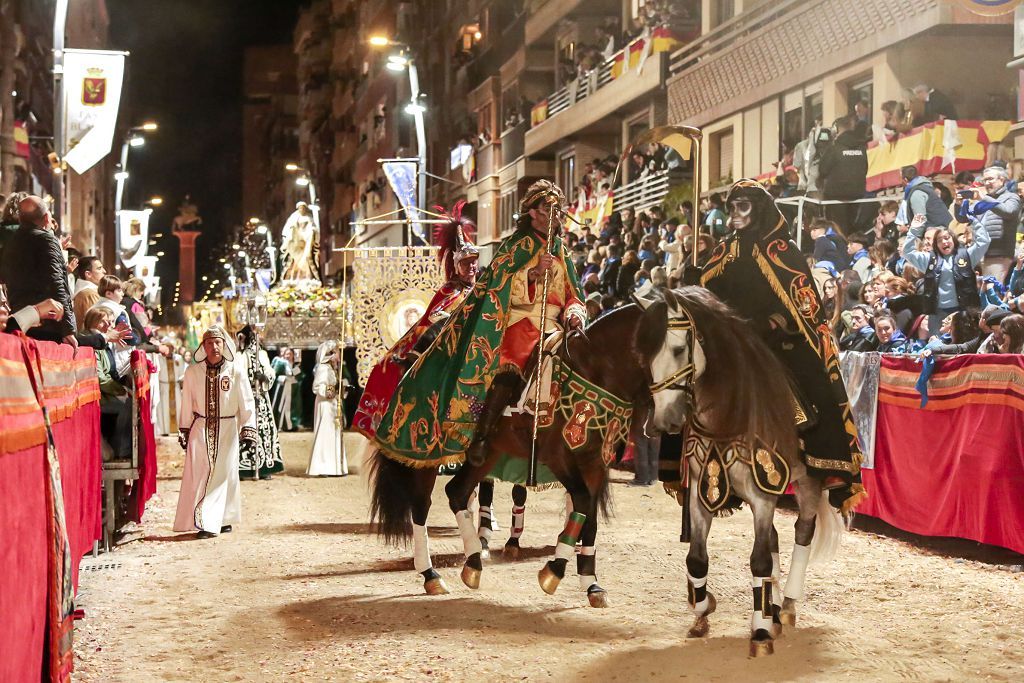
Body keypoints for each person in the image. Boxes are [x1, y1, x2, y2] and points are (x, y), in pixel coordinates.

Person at [374, 179, 586, 468]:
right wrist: (533, 274)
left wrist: (574, 313)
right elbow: (497, 286)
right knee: (510, 365)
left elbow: (575, 294)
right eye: (548, 208)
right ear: (533, 213)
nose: (555, 215)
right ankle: (483, 436)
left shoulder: (562, 251)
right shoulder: (515, 245)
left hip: (555, 325)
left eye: (558, 210)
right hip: (521, 320)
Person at [700, 179, 866, 513]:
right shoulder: (723, 250)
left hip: (773, 339)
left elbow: (805, 306)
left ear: (758, 209)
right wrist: (695, 280)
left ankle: (828, 463)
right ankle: (685, 460)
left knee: (813, 380)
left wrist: (776, 320)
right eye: (731, 208)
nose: (734, 214)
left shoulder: (783, 250)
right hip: (732, 337)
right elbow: (710, 293)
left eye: (742, 207)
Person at [353, 202, 481, 438]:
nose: (471, 267)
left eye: (473, 262)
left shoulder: (483, 289)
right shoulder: (449, 291)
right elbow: (432, 319)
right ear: (456, 265)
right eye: (465, 263)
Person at [174, 327, 256, 539]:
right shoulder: (193, 372)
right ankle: (207, 522)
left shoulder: (236, 370)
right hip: (201, 428)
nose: (214, 347)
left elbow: (246, 401)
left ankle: (224, 518)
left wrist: (248, 429)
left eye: (218, 342)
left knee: (226, 473)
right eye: (209, 343)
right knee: (205, 472)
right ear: (203, 346)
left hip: (228, 428)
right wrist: (184, 429)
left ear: (224, 344)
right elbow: (186, 404)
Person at [0, 195, 76, 345]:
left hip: (21, 319)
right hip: (49, 321)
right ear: (47, 218)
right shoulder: (47, 239)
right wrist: (68, 329)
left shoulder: (11, 242)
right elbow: (56, 283)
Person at [902, 213, 990, 331]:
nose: (944, 242)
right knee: (937, 345)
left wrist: (974, 222)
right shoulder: (929, 260)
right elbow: (907, 251)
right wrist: (913, 231)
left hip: (962, 311)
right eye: (939, 240)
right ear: (936, 245)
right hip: (937, 313)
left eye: (947, 238)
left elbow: (984, 241)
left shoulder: (967, 256)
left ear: (953, 239)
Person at [84, 306, 133, 461]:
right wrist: (121, 390)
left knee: (130, 403)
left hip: (102, 391)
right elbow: (100, 377)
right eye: (104, 322)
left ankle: (120, 447)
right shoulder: (93, 340)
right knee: (127, 405)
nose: (109, 326)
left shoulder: (102, 340)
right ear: (94, 321)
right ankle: (121, 449)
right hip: (95, 395)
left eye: (110, 322)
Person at [237, 325, 283, 481]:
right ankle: (244, 468)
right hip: (246, 397)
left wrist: (263, 377)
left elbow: (271, 372)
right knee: (246, 431)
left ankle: (264, 467)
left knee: (264, 431)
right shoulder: (240, 356)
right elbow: (237, 375)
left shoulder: (262, 354)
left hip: (261, 397)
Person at [818, 116, 868, 233]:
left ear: (836, 129)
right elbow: (865, 168)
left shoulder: (834, 148)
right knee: (853, 230)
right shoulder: (861, 147)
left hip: (836, 196)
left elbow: (823, 170)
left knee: (837, 230)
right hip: (857, 194)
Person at [308, 340, 349, 476]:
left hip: (332, 405)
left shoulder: (333, 369)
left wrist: (343, 389)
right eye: (336, 352)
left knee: (333, 433)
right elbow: (317, 387)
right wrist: (332, 389)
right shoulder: (323, 368)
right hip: (325, 405)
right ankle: (322, 466)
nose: (338, 355)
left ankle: (334, 467)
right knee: (325, 433)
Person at [900, 166, 952, 230]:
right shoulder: (925, 188)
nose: (900, 182)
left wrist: (912, 238)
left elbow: (920, 220)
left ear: (905, 180)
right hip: (941, 228)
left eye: (900, 179)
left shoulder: (917, 193)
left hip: (937, 231)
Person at [280, 201, 320, 282]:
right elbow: (288, 229)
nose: (302, 210)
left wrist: (312, 232)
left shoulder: (309, 219)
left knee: (307, 261)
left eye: (303, 208)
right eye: (300, 208)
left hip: (305, 243)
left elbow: (313, 229)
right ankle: (291, 279)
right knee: (292, 262)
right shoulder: (293, 218)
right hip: (296, 243)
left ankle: (308, 278)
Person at [72, 255, 106, 331]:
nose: (104, 271)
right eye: (99, 268)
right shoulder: (89, 294)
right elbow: (98, 323)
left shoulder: (87, 292)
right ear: (88, 274)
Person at [271, 347, 299, 430]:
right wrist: (283, 378)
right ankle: (279, 424)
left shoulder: (295, 364)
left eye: (290, 354)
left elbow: (297, 375)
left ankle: (290, 425)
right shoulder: (280, 362)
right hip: (282, 388)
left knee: (291, 407)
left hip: (292, 389)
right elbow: (274, 373)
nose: (288, 356)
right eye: (287, 354)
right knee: (280, 406)